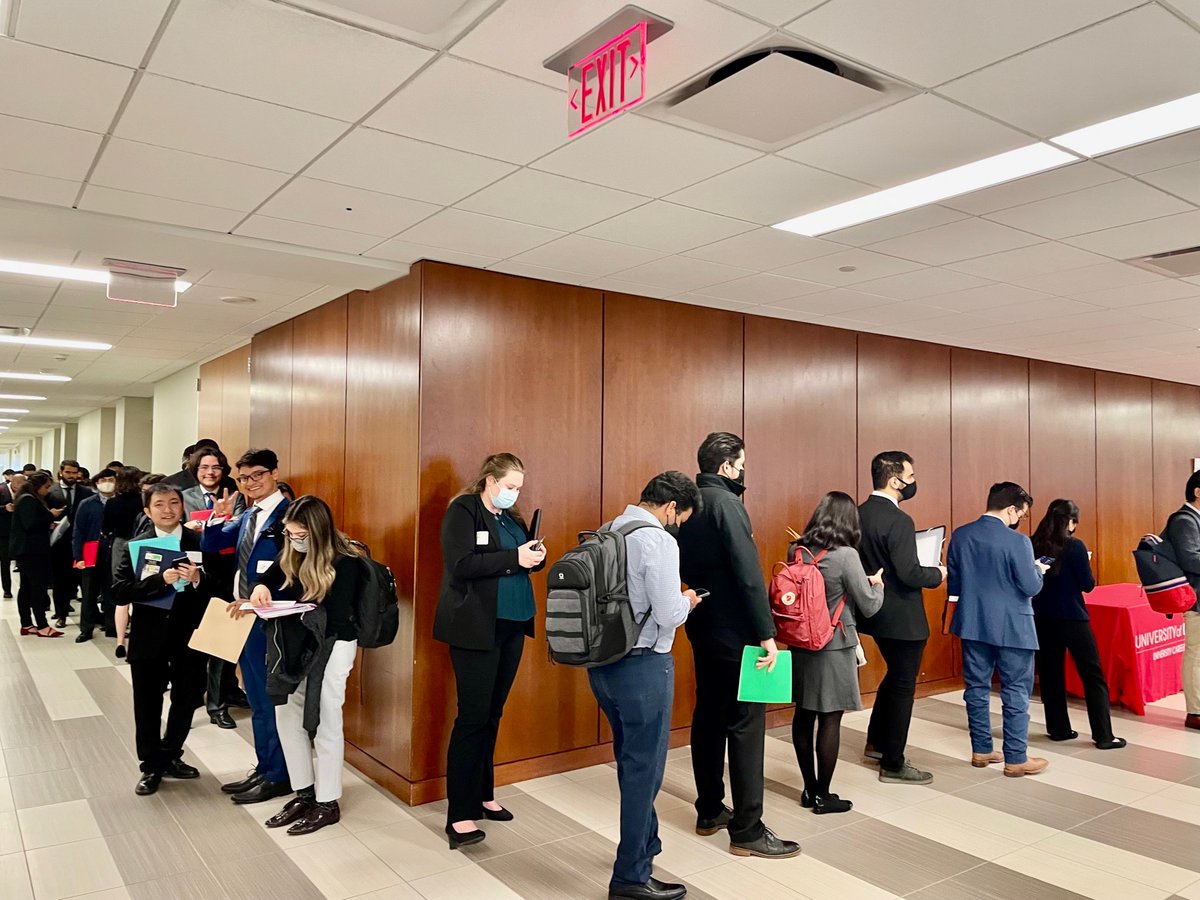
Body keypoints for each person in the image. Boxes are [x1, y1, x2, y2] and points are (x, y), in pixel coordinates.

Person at [677, 432, 798, 859]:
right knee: (747, 723)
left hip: (701, 622)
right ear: (728, 467)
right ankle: (747, 829)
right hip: (738, 630)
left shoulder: (687, 504)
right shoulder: (729, 505)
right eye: (742, 464)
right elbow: (748, 575)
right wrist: (767, 634)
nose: (743, 471)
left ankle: (709, 809)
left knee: (708, 714)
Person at [585, 472, 703, 900]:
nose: (677, 527)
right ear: (671, 507)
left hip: (601, 664)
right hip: (644, 666)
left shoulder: (608, 529)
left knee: (630, 759)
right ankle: (630, 877)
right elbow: (668, 613)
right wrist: (688, 601)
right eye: (680, 519)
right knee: (644, 770)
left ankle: (645, 845)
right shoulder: (658, 541)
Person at [433, 453, 547, 849]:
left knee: (493, 713)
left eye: (518, 488)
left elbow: (518, 561)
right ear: (489, 481)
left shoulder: (510, 517)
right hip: (475, 627)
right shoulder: (463, 511)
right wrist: (514, 558)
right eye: (509, 486)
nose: (514, 494)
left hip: (513, 624)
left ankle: (484, 795)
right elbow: (461, 563)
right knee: (473, 717)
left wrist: (533, 558)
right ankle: (459, 814)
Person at [234, 496, 362, 836]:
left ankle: (328, 801)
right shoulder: (291, 551)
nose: (295, 540)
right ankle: (304, 792)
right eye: (290, 534)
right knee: (286, 713)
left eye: (301, 534)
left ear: (318, 531)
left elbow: (335, 616)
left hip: (333, 645)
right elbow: (271, 576)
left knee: (326, 718)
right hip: (295, 642)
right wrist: (261, 588)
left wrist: (292, 605)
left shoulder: (346, 560)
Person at [203, 448, 292, 804]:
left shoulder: (289, 515)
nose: (251, 483)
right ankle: (265, 765)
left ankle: (280, 775)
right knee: (255, 696)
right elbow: (213, 547)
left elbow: (292, 569)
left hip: (271, 620)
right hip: (242, 615)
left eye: (258, 475)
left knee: (271, 700)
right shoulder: (247, 515)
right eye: (243, 478)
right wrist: (216, 518)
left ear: (273, 473)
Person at [111, 482, 209, 796]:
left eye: (173, 503)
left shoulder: (200, 541)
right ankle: (151, 765)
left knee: (187, 698)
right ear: (147, 510)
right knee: (147, 703)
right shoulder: (134, 545)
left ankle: (171, 754)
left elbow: (218, 586)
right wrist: (157, 581)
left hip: (189, 635)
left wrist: (198, 579)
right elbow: (119, 591)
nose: (167, 510)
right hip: (148, 637)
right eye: (159, 505)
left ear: (183, 506)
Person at [788, 492, 884, 814]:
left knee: (803, 714)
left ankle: (808, 789)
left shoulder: (797, 549)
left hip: (801, 643)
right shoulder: (846, 556)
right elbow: (868, 604)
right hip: (833, 645)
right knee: (830, 719)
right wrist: (878, 585)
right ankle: (824, 795)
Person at [856, 451, 946, 785]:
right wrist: (937, 573)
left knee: (895, 678)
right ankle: (893, 762)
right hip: (903, 618)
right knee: (903, 684)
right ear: (895, 481)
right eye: (910, 476)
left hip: (871, 612)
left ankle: (877, 743)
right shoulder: (899, 521)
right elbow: (909, 574)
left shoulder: (857, 513)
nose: (912, 482)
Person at [948, 482, 1049, 777]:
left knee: (976, 688)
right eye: (1022, 514)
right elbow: (1029, 586)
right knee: (1016, 689)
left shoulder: (961, 534)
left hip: (971, 622)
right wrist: (1038, 572)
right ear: (1010, 509)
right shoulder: (1017, 542)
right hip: (1013, 625)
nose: (1020, 519)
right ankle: (1016, 757)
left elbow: (954, 583)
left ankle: (981, 750)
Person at [1031, 499, 1125, 749]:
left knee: (1051, 674)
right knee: (1093, 675)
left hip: (1042, 618)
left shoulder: (1033, 543)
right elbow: (1087, 584)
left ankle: (1059, 729)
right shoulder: (1075, 546)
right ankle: (1104, 736)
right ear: (1071, 522)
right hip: (1073, 618)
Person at [183, 447, 247, 729]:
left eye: (216, 468)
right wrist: (189, 527)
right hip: (191, 576)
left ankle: (219, 704)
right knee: (195, 643)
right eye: (204, 468)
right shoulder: (183, 498)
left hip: (224, 575)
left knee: (223, 640)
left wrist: (218, 525)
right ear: (195, 471)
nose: (210, 472)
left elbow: (239, 530)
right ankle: (197, 692)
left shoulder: (236, 497)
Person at [1161, 472, 1200, 731]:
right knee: (1196, 653)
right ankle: (1195, 711)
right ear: (1197, 491)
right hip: (1196, 599)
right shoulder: (1185, 521)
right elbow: (1190, 559)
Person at [10, 472, 64, 637]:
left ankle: (27, 624)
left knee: (26, 587)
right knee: (37, 588)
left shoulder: (27, 498)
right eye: (46, 487)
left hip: (29, 550)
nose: (47, 491)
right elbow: (30, 523)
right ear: (37, 486)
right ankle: (42, 625)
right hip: (32, 551)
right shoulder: (28, 499)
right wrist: (50, 515)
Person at [72, 468, 117, 643]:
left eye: (110, 479)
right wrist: (78, 557)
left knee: (111, 592)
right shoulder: (87, 503)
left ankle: (112, 626)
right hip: (90, 553)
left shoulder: (120, 503)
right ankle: (86, 628)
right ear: (97, 483)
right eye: (103, 479)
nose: (107, 482)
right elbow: (78, 532)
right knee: (89, 593)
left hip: (113, 552)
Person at [47, 459, 93, 628]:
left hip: (82, 543)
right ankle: (61, 614)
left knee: (85, 580)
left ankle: (88, 617)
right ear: (61, 472)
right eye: (68, 472)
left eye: (75, 473)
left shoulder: (87, 492)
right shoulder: (51, 491)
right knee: (60, 581)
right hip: (59, 543)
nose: (72, 476)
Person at [0, 471, 13, 598]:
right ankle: (7, 589)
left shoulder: (25, 492)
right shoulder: (2, 489)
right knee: (5, 562)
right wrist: (5, 508)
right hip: (4, 533)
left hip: (20, 532)